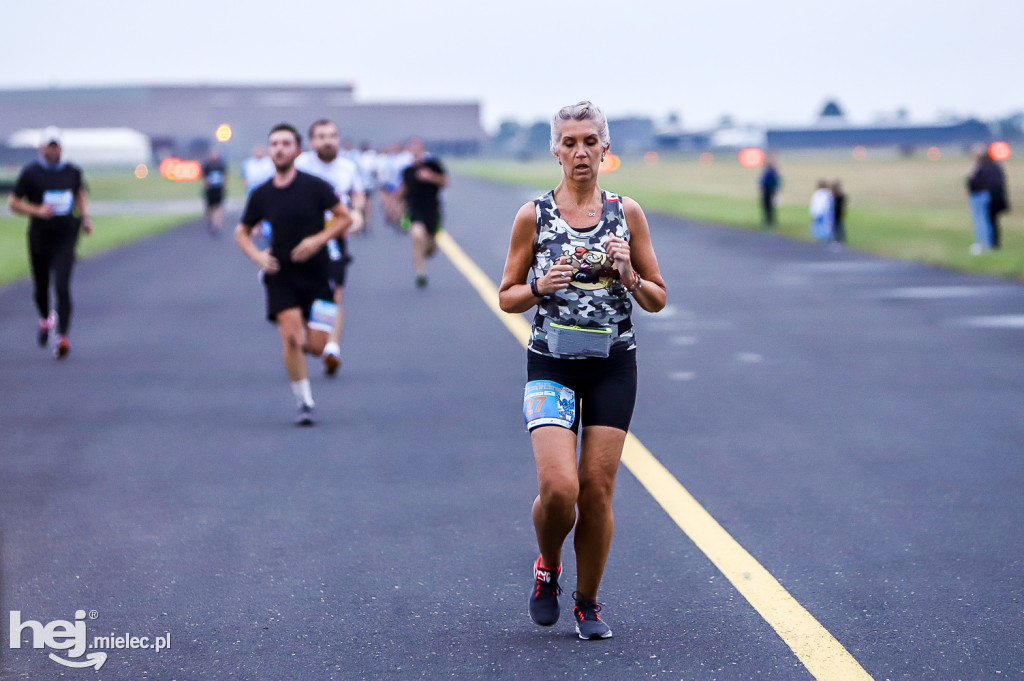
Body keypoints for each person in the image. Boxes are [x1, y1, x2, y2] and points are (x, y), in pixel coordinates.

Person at [498, 101, 667, 640]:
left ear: (605, 149)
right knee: (559, 488)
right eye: (569, 142)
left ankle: (588, 603)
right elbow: (507, 296)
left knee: (596, 491)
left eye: (589, 141)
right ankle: (548, 565)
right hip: (551, 362)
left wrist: (629, 275)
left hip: (613, 366)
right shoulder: (535, 215)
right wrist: (539, 287)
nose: (580, 152)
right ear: (555, 149)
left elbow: (659, 298)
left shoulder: (627, 213)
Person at [234, 123, 353, 425]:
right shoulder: (262, 193)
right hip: (281, 274)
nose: (279, 149)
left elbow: (345, 217)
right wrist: (257, 256)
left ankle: (302, 347)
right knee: (289, 337)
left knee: (316, 345)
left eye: (286, 143)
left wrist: (317, 241)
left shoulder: (315, 186)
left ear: (298, 150)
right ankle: (304, 402)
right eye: (274, 144)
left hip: (318, 274)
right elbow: (242, 232)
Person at [8, 126, 94, 359]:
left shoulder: (72, 171)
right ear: (42, 148)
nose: (53, 151)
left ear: (61, 148)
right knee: (41, 287)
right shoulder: (31, 173)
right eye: (50, 146)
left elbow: (80, 193)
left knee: (62, 285)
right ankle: (46, 318)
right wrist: (36, 210)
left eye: (57, 147)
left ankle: (62, 337)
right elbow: (13, 202)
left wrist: (85, 217)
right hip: (40, 236)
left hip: (66, 235)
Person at [295, 119, 366, 376]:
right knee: (305, 297)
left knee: (335, 294)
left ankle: (332, 348)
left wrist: (357, 213)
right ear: (312, 141)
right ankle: (310, 336)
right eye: (322, 136)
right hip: (303, 239)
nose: (328, 140)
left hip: (335, 239)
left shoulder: (347, 167)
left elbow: (357, 194)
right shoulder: (300, 165)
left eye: (333, 135)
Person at [400, 138, 448, 288]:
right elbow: (404, 190)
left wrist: (430, 177)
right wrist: (395, 206)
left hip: (432, 209)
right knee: (417, 236)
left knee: (430, 249)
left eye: (417, 147)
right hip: (414, 209)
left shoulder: (433, 165)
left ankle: (428, 249)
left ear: (422, 149)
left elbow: (445, 182)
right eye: (412, 148)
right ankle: (420, 273)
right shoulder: (407, 171)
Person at [967, 146, 1010, 252]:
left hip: (981, 196)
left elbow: (978, 182)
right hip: (990, 196)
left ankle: (984, 244)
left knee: (982, 220)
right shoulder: (994, 166)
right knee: (989, 220)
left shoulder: (984, 167)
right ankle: (991, 243)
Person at [201, 148, 227, 236]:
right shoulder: (207, 164)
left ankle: (217, 224)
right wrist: (206, 185)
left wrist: (224, 186)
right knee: (210, 208)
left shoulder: (221, 164)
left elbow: (225, 175)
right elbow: (203, 176)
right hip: (210, 189)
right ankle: (212, 221)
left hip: (219, 189)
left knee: (219, 207)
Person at [759, 157, 781, 226]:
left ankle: (770, 221)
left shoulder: (771, 171)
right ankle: (768, 220)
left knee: (769, 206)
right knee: (767, 206)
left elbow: (775, 181)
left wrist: (775, 190)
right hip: (767, 190)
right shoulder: (768, 171)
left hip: (770, 190)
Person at [831, 180, 847, 246]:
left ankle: (840, 240)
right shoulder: (833, 196)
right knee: (835, 228)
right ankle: (836, 240)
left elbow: (843, 206)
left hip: (838, 214)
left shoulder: (840, 196)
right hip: (833, 215)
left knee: (839, 228)